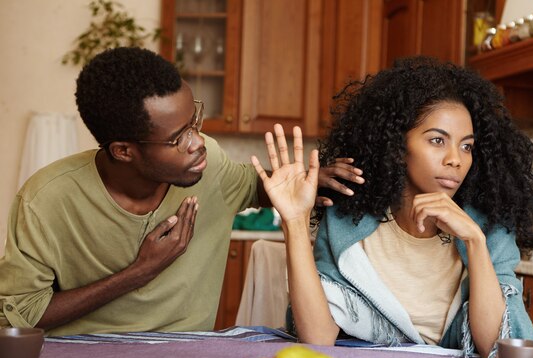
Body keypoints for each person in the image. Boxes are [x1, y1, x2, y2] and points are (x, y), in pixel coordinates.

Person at [0, 47, 361, 336]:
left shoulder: (211, 167)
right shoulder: (45, 200)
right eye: (177, 138)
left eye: (195, 123)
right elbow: (21, 317)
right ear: (124, 151)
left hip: (188, 353)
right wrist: (139, 272)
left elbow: (259, 187)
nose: (198, 143)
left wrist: (314, 178)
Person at [252, 57, 533, 358]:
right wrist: (295, 222)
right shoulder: (348, 220)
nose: (455, 159)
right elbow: (318, 337)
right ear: (396, 146)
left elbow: (495, 349)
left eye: (466, 146)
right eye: (437, 140)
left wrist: (474, 241)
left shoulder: (489, 227)